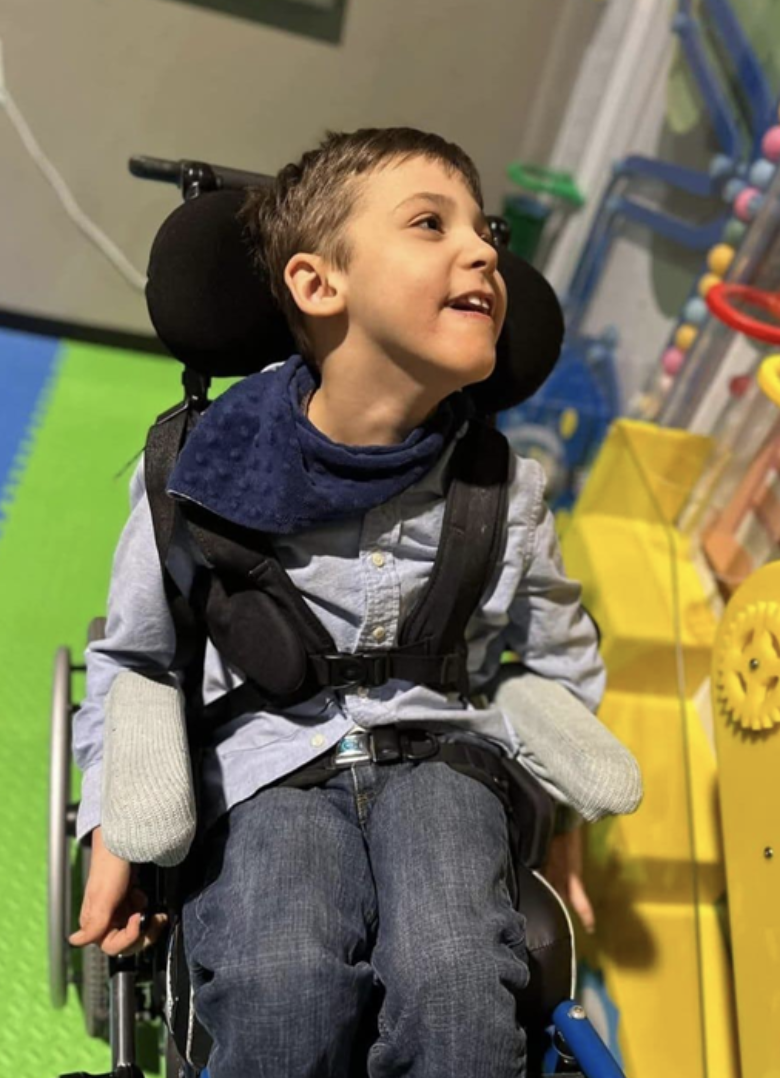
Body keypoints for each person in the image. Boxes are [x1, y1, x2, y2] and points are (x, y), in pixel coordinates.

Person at [70, 128, 636, 1077]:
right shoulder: (195, 470)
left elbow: (557, 657)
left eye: (485, 229)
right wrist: (112, 823)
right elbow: (136, 657)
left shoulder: (504, 489)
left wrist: (567, 824)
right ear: (318, 285)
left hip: (444, 763)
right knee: (282, 980)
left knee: (458, 983)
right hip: (262, 768)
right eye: (431, 223)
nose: (486, 250)